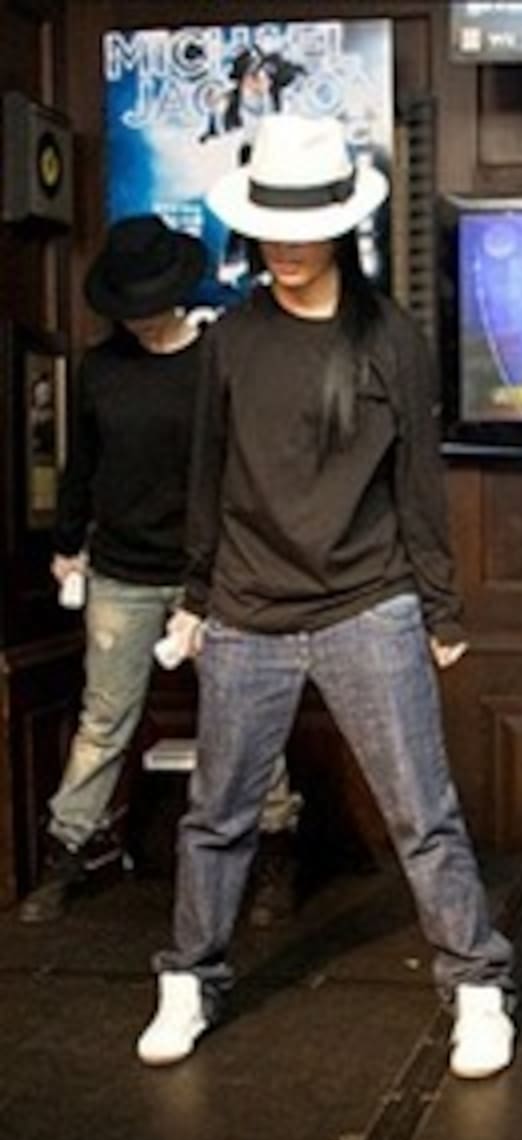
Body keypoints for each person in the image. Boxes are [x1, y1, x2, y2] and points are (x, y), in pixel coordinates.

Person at [135, 114, 515, 1079]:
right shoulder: (231, 341)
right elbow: (208, 474)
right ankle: (190, 978)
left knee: (421, 810)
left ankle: (478, 984)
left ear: (343, 224)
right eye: (272, 226)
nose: (288, 246)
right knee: (218, 814)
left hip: (369, 603)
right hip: (246, 610)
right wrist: (195, 596)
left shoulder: (390, 338)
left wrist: (441, 606)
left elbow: (418, 482)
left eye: (306, 227)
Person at [19, 215, 303, 926]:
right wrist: (66, 542)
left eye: (149, 305)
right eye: (129, 308)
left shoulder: (215, 362)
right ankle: (66, 851)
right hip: (120, 571)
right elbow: (80, 467)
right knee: (103, 719)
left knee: (244, 715)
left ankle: (276, 845)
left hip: (215, 571)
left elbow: (246, 469)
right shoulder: (100, 369)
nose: (140, 320)